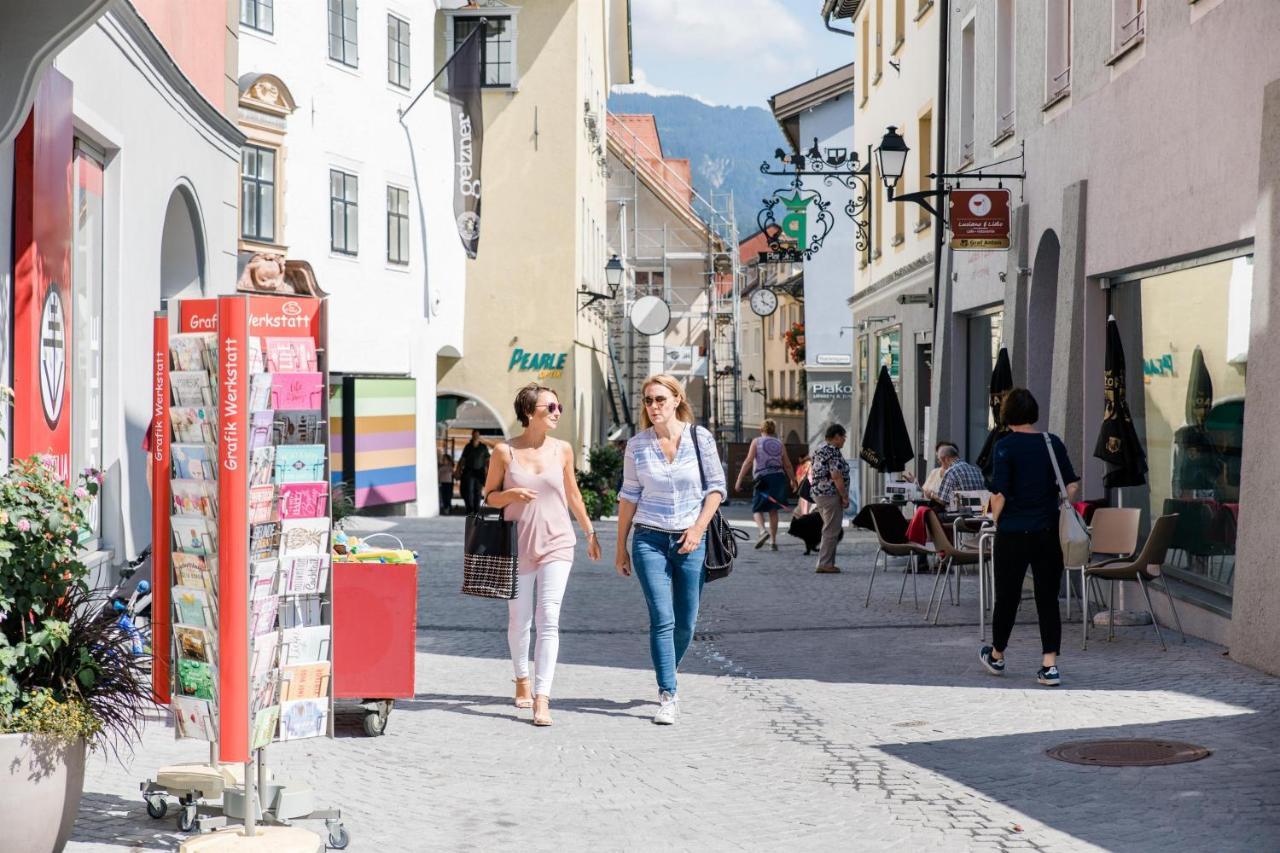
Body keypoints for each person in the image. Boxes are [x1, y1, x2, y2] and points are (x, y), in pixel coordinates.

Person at [482, 384, 601, 726]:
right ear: (529, 413)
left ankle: (542, 697)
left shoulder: (562, 450)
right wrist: (510, 495)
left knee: (549, 616)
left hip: (557, 542)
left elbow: (574, 495)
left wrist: (590, 532)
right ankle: (521, 677)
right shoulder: (504, 452)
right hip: (516, 545)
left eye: (558, 406)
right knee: (520, 620)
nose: (557, 412)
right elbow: (488, 496)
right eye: (550, 407)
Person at [615, 374, 726, 725]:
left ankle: (668, 669)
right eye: (648, 401)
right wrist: (621, 547)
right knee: (662, 619)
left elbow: (717, 489)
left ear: (676, 399)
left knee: (686, 622)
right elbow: (629, 496)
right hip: (649, 537)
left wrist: (698, 528)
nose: (653, 406)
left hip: (691, 539)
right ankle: (668, 693)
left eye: (660, 399)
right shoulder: (637, 445)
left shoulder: (699, 438)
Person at [979, 388, 1079, 688]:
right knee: (1047, 598)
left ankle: (996, 655)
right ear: (1033, 411)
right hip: (1047, 532)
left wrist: (992, 519)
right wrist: (1055, 504)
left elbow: (999, 495)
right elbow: (1071, 486)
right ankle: (1050, 666)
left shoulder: (1004, 446)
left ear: (1006, 414)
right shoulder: (1052, 443)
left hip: (1011, 534)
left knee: (1007, 597)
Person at [734, 419, 796, 550]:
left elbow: (749, 461)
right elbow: (787, 464)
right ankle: (773, 541)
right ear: (774, 430)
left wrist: (739, 479)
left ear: (761, 429)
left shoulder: (756, 442)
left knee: (757, 509)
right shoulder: (780, 444)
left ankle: (763, 532)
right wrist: (793, 480)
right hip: (778, 478)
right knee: (773, 510)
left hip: (762, 478)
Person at [810, 424, 850, 574]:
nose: (844, 440)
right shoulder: (832, 451)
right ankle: (825, 563)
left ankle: (828, 562)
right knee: (831, 529)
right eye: (843, 437)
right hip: (830, 494)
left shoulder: (820, 448)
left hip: (819, 493)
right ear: (837, 436)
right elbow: (836, 475)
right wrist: (844, 496)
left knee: (830, 527)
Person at [934, 445, 987, 510]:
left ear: (946, 459)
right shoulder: (976, 470)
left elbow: (942, 501)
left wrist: (932, 495)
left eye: (940, 461)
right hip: (979, 514)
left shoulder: (951, 472)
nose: (940, 465)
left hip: (958, 515)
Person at [457, 430, 490, 514]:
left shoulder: (483, 447)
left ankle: (477, 510)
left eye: (477, 435)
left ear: (479, 436)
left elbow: (487, 460)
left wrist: (488, 471)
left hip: (479, 472)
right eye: (474, 434)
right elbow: (463, 459)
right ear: (472, 435)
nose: (476, 436)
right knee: (469, 491)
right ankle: (470, 509)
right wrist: (458, 470)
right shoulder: (468, 446)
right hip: (469, 472)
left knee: (478, 491)